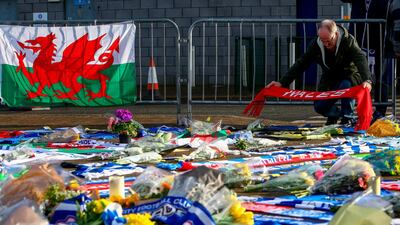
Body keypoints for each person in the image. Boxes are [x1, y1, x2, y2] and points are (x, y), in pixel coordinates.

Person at [266, 19, 372, 126]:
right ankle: (334, 115)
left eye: (328, 40)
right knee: (319, 106)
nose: (326, 44)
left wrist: (367, 80)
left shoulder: (348, 41)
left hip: (349, 75)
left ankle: (347, 118)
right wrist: (282, 82)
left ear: (336, 34)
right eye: (323, 40)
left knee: (346, 84)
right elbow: (301, 64)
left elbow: (360, 59)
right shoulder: (315, 44)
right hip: (329, 79)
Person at [340, 0, 390, 121]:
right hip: (358, 44)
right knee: (353, 77)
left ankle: (380, 111)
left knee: (380, 78)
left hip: (379, 45)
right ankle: (349, 113)